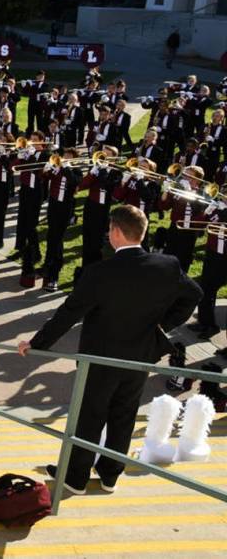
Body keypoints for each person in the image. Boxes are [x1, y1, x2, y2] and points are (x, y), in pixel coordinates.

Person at [18, 205, 201, 495]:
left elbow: (68, 314)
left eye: (109, 230)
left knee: (90, 415)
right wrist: (162, 325)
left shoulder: (99, 273)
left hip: (99, 358)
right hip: (139, 355)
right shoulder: (167, 265)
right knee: (123, 416)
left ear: (116, 232)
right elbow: (194, 295)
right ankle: (110, 475)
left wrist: (37, 344)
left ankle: (76, 477)